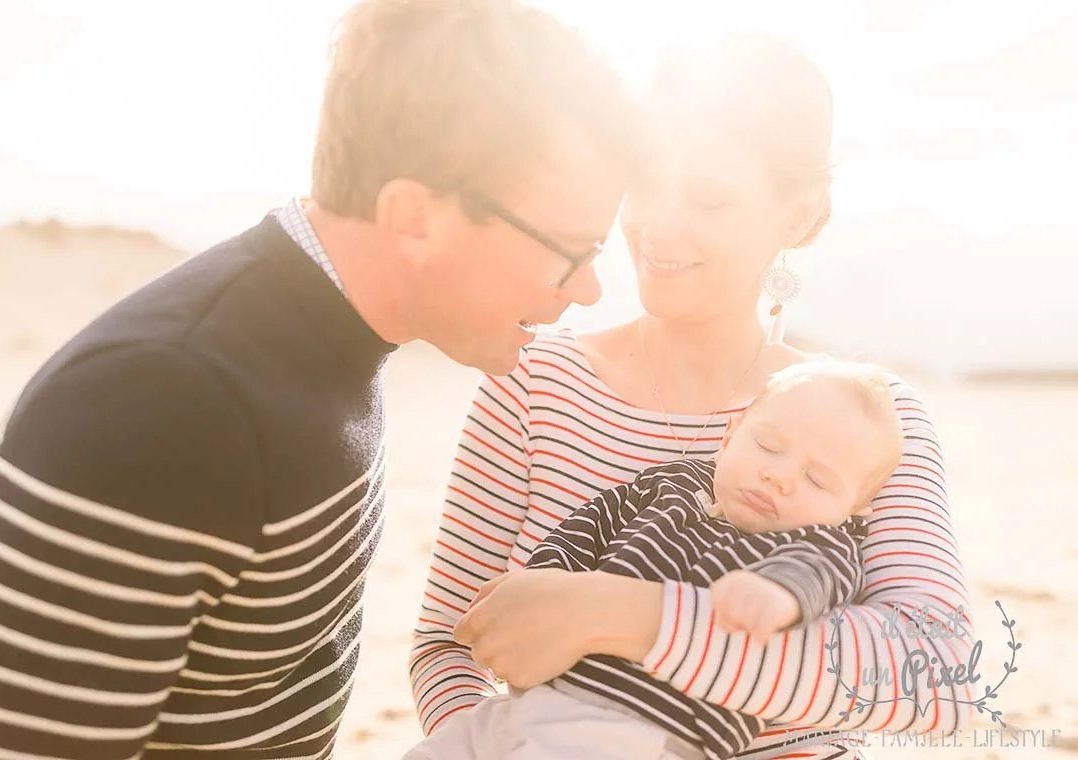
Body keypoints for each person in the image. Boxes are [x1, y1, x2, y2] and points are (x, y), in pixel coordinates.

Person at [0, 1, 635, 758]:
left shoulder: (330, 348)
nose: (590, 289)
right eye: (572, 249)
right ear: (413, 218)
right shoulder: (158, 405)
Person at [409, 35, 976, 760]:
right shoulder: (532, 386)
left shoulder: (865, 422)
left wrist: (630, 616)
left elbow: (938, 675)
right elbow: (445, 639)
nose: (658, 225)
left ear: (799, 216)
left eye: (708, 196)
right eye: (645, 182)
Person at [405, 361, 904, 760]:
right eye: (768, 446)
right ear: (730, 435)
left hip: (644, 731)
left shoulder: (817, 544)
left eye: (817, 480)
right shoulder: (673, 484)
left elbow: (817, 579)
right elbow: (594, 523)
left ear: (854, 509)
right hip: (527, 702)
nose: (780, 476)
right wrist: (544, 578)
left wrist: (775, 596)